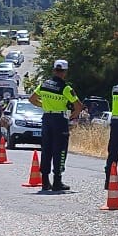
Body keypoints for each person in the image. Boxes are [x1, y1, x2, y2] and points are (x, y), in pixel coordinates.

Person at [27, 59, 79, 192]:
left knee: (46, 149)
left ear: (54, 70)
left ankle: (45, 182)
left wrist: (43, 105)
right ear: (65, 73)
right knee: (60, 150)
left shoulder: (44, 85)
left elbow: (32, 99)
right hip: (60, 120)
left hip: (47, 118)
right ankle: (57, 181)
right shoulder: (66, 88)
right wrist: (71, 116)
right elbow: (78, 106)